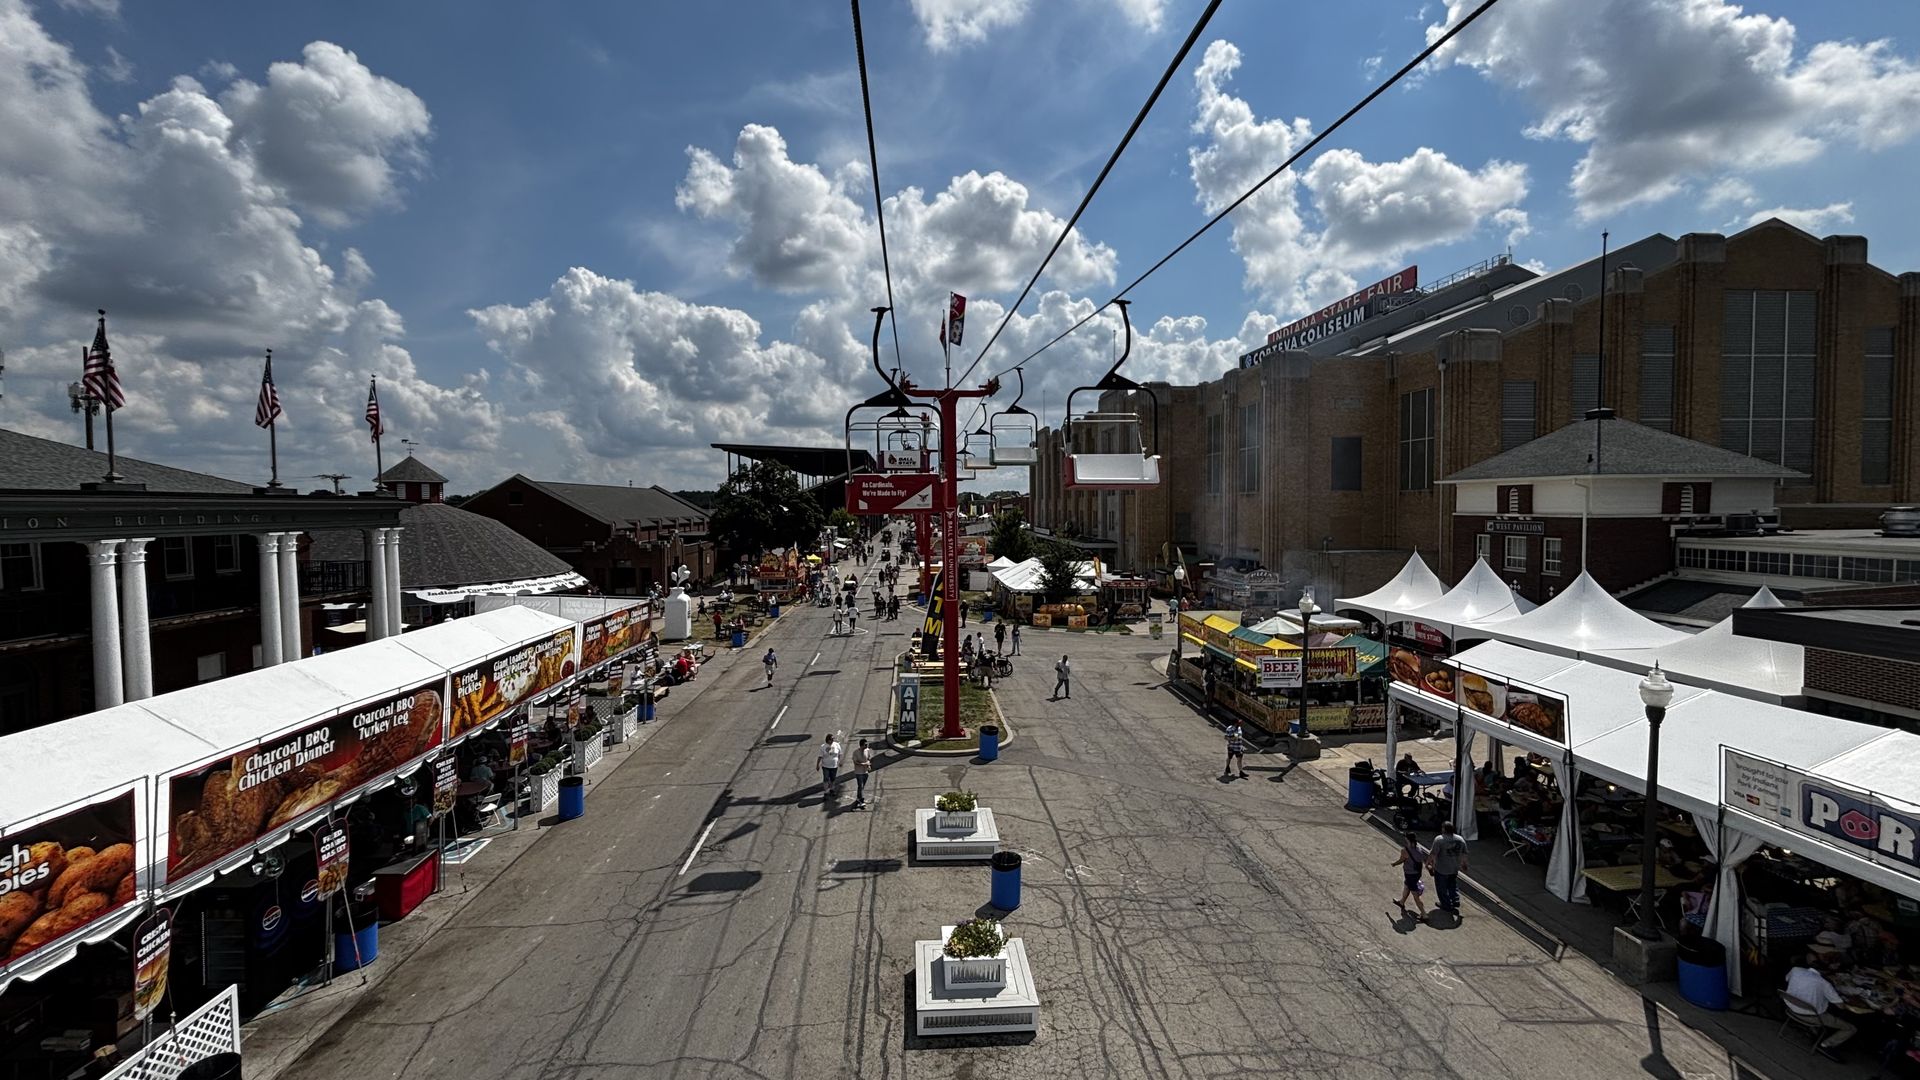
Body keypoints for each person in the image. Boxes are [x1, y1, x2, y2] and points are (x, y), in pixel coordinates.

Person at [1784, 955, 1856, 1060]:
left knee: (1819, 1004)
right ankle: (1826, 1045)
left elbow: (1787, 979)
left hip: (1791, 1007)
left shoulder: (1795, 970)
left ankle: (1814, 1031)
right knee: (1851, 1028)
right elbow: (1841, 1006)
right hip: (1810, 1015)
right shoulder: (1824, 983)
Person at [1427, 821, 1470, 916]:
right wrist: (1464, 864)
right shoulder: (1460, 839)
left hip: (1442, 869)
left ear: (1443, 829)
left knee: (1441, 888)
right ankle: (1455, 900)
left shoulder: (1439, 839)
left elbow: (1433, 854)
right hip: (1454, 868)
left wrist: (1428, 864)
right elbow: (1464, 853)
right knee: (1452, 885)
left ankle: (1446, 905)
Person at [1391, 831, 1430, 921]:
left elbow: (1401, 860)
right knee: (1406, 887)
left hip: (1410, 874)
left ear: (1407, 839)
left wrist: (1394, 864)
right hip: (1417, 873)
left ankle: (1424, 914)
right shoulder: (1419, 848)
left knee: (1415, 895)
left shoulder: (1405, 850)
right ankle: (1401, 902)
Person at [851, 738, 874, 808]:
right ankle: (862, 801)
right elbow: (855, 762)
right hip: (859, 772)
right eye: (865, 744)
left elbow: (869, 759)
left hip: (865, 771)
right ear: (861, 745)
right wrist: (863, 764)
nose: (867, 745)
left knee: (861, 786)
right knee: (860, 786)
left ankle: (858, 798)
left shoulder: (867, 750)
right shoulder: (855, 752)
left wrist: (869, 765)